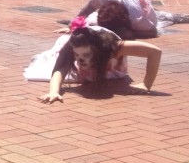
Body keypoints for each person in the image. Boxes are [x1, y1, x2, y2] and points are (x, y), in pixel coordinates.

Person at [31, 25, 162, 104]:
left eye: (86, 55)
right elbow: (60, 69)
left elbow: (155, 52)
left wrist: (146, 84)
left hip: (102, 44)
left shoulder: (111, 47)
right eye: (77, 56)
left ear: (97, 51)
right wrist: (54, 91)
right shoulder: (71, 46)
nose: (80, 60)